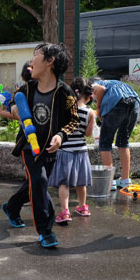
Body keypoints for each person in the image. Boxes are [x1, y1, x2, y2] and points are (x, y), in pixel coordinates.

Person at [1, 43, 79, 248]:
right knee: (39, 181)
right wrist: (14, 106)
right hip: (29, 147)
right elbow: (11, 100)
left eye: (36, 56)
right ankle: (46, 231)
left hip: (50, 148)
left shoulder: (65, 92)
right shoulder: (27, 88)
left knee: (36, 184)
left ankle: (11, 206)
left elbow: (73, 120)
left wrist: (61, 136)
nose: (31, 61)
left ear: (49, 62)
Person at [50, 77, 95, 224]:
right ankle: (82, 207)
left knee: (64, 183)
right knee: (81, 182)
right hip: (81, 151)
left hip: (65, 151)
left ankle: (64, 212)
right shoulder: (90, 113)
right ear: (88, 97)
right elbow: (88, 134)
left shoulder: (65, 110)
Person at [91, 78, 140, 189]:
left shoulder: (95, 84)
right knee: (124, 140)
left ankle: (110, 181)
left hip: (117, 103)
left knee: (105, 143)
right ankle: (125, 180)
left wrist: (98, 107)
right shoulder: (114, 83)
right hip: (135, 102)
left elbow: (100, 89)